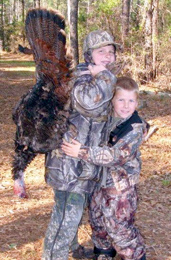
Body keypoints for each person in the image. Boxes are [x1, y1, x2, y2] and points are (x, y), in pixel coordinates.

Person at [42, 30, 118, 260]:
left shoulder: (99, 75)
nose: (106, 56)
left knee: (71, 211)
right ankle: (53, 256)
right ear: (89, 54)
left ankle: (71, 249)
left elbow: (107, 114)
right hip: (68, 164)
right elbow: (90, 104)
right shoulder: (82, 76)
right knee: (66, 214)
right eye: (100, 51)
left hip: (81, 163)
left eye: (110, 51)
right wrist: (106, 76)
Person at [62, 76, 149, 260]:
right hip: (99, 183)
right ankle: (103, 255)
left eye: (131, 100)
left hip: (120, 189)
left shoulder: (135, 128)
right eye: (121, 100)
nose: (126, 105)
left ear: (137, 102)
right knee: (98, 224)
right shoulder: (106, 120)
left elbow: (116, 156)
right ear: (112, 101)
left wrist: (81, 151)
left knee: (119, 229)